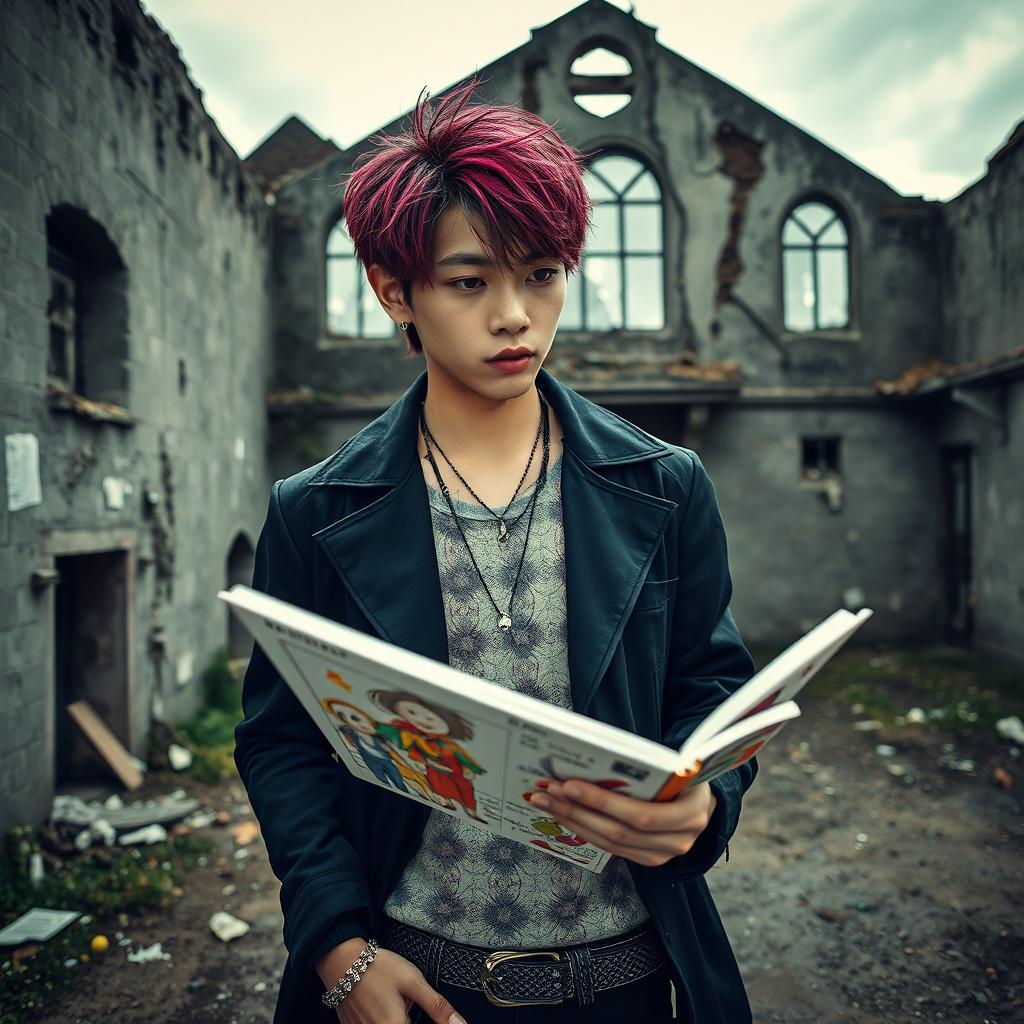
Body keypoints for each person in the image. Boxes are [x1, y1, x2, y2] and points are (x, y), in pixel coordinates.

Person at [234, 78, 758, 1024]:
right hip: (412, 986)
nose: (515, 314)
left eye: (544, 273)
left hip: (629, 983)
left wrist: (705, 801)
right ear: (395, 289)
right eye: (471, 281)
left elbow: (711, 689)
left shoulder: (664, 485)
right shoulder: (314, 511)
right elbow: (282, 745)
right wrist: (341, 953)